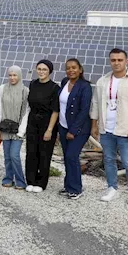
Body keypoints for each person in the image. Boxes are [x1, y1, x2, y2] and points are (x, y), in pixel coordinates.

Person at [91, 48, 128, 205]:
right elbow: (96, 104)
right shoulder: (102, 82)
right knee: (109, 160)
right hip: (106, 129)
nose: (116, 63)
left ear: (126, 61)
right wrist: (94, 125)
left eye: (119, 60)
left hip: (126, 131)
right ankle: (112, 188)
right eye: (113, 60)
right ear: (110, 61)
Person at [0, 66, 29, 189]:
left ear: (19, 76)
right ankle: (8, 178)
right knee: (7, 155)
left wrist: (22, 130)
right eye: (10, 75)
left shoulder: (25, 91)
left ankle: (20, 181)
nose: (12, 77)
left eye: (15, 75)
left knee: (14, 155)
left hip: (18, 129)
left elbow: (26, 111)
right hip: (5, 128)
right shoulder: (2, 89)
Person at [57, 58, 93, 200]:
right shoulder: (65, 82)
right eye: (68, 68)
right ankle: (68, 186)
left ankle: (76, 188)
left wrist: (73, 130)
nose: (71, 70)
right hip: (63, 125)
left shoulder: (85, 86)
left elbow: (84, 111)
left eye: (73, 68)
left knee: (72, 156)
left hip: (79, 129)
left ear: (80, 70)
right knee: (67, 157)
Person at [25, 59, 60, 193]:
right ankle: (30, 180)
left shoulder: (54, 88)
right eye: (39, 69)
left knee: (44, 153)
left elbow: (55, 110)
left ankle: (41, 182)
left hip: (47, 122)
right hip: (33, 120)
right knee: (31, 151)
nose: (41, 72)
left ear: (50, 71)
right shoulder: (33, 84)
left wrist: (50, 129)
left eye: (44, 69)